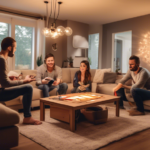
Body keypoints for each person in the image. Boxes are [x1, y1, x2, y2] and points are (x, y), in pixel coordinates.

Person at [0, 37, 42, 125]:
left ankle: (27, 117)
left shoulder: (2, 58)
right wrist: (24, 81)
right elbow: (5, 84)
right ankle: (27, 117)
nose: (15, 50)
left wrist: (12, 78)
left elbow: (3, 80)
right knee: (28, 87)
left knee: (27, 87)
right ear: (9, 48)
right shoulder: (2, 59)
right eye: (15, 48)